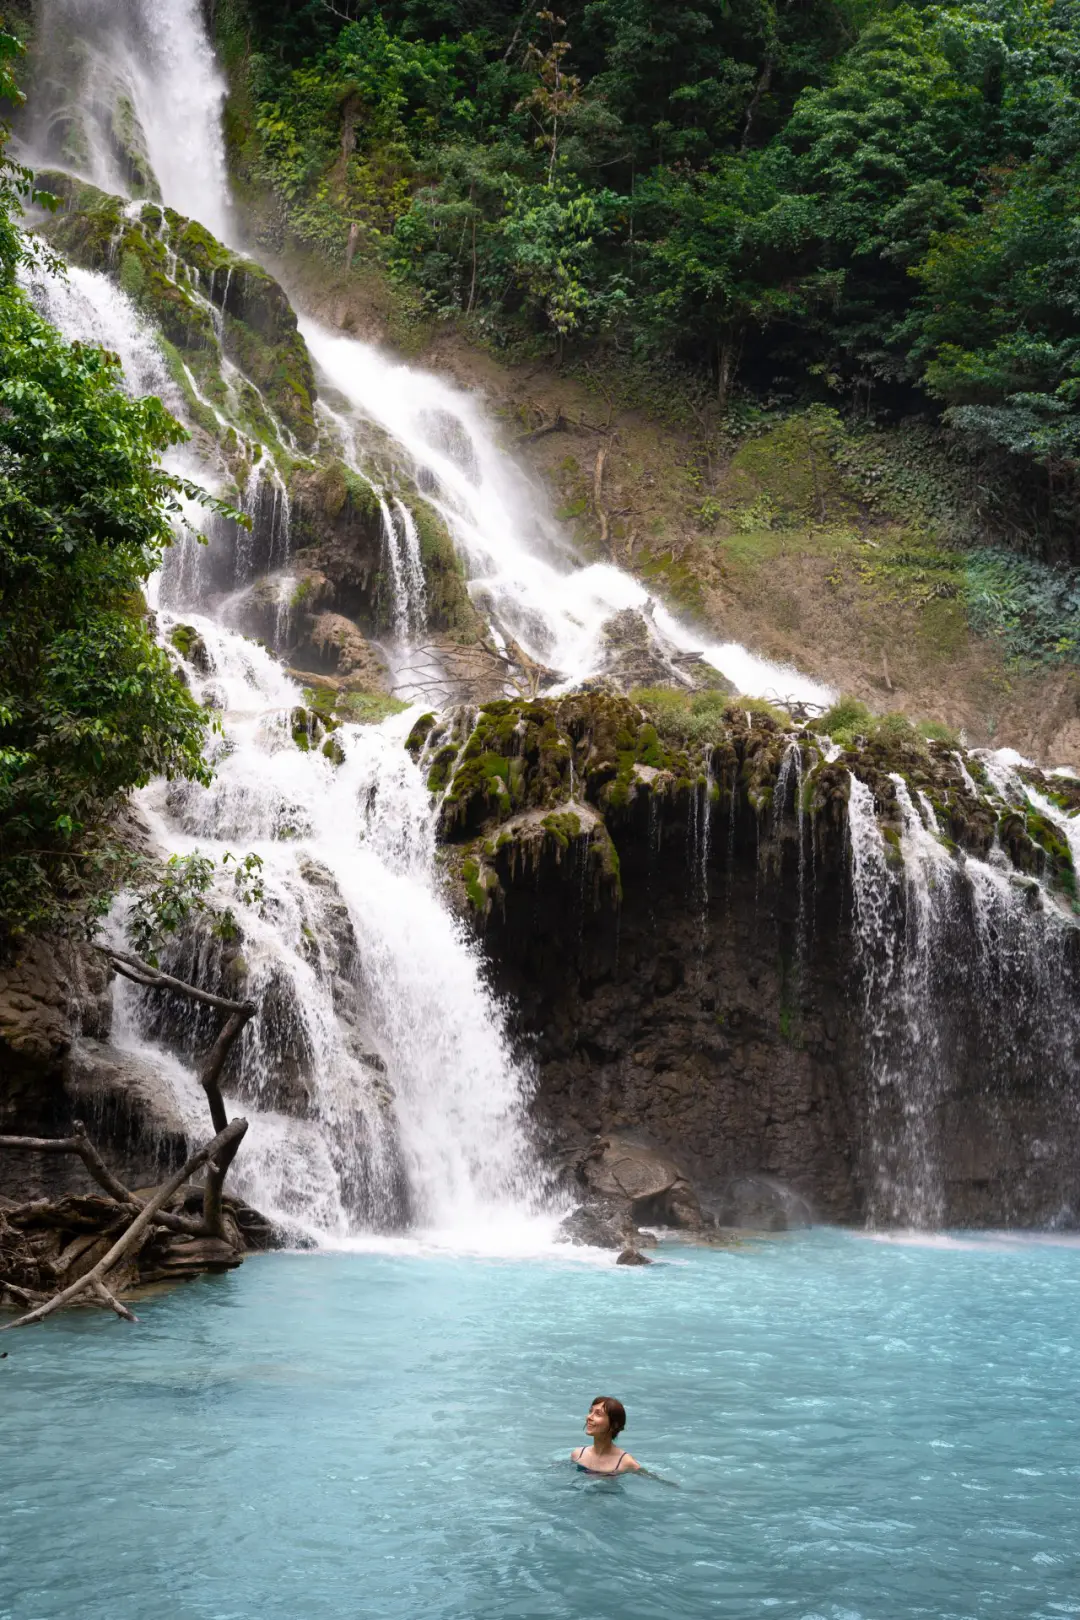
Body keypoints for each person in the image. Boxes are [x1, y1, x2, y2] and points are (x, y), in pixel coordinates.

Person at [572, 1396, 642, 1475]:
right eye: (590, 1411)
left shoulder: (626, 1463)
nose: (589, 1417)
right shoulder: (578, 1455)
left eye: (598, 1414)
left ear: (614, 1425)